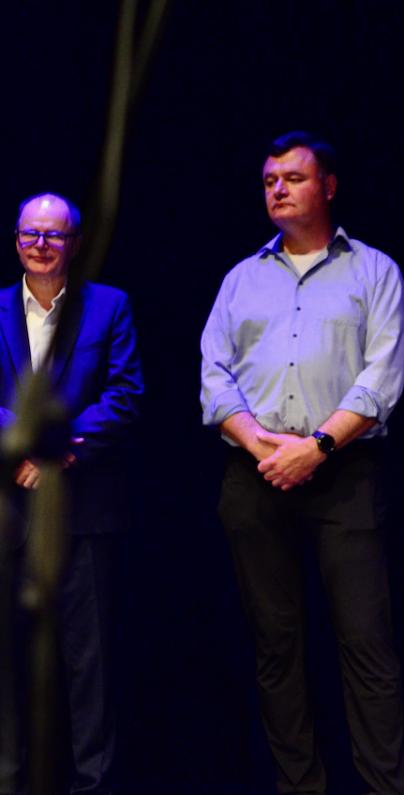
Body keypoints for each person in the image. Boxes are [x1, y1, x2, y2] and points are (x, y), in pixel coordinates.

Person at [200, 132, 404, 795]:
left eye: (293, 178)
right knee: (276, 646)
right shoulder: (241, 278)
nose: (278, 189)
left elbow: (382, 375)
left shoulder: (374, 270)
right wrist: (260, 443)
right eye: (269, 181)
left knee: (366, 643)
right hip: (256, 473)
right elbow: (214, 375)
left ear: (328, 186)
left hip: (342, 471)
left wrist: (315, 446)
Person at [0, 192, 144, 795]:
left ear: (75, 243)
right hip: (9, 508)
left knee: (91, 665)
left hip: (83, 508)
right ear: (16, 240)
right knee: (7, 663)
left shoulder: (109, 305)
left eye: (54, 235)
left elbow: (124, 394)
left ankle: (94, 786)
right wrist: (22, 444)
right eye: (30, 234)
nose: (40, 244)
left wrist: (61, 450)